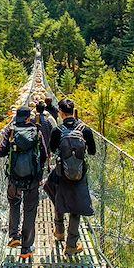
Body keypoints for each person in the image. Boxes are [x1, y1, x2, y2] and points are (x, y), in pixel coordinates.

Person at [0, 106, 48, 259]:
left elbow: (0, 152)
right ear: (28, 118)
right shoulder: (37, 132)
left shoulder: (11, 131)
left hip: (14, 178)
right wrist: (38, 172)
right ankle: (26, 248)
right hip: (32, 179)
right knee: (30, 211)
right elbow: (44, 156)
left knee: (14, 204)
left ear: (17, 117)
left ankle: (14, 236)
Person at [45, 98, 96, 256]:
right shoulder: (85, 130)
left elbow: (52, 149)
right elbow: (93, 151)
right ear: (73, 111)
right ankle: (71, 245)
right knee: (76, 207)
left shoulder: (57, 130)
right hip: (79, 175)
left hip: (61, 174)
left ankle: (59, 232)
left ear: (60, 113)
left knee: (58, 198)